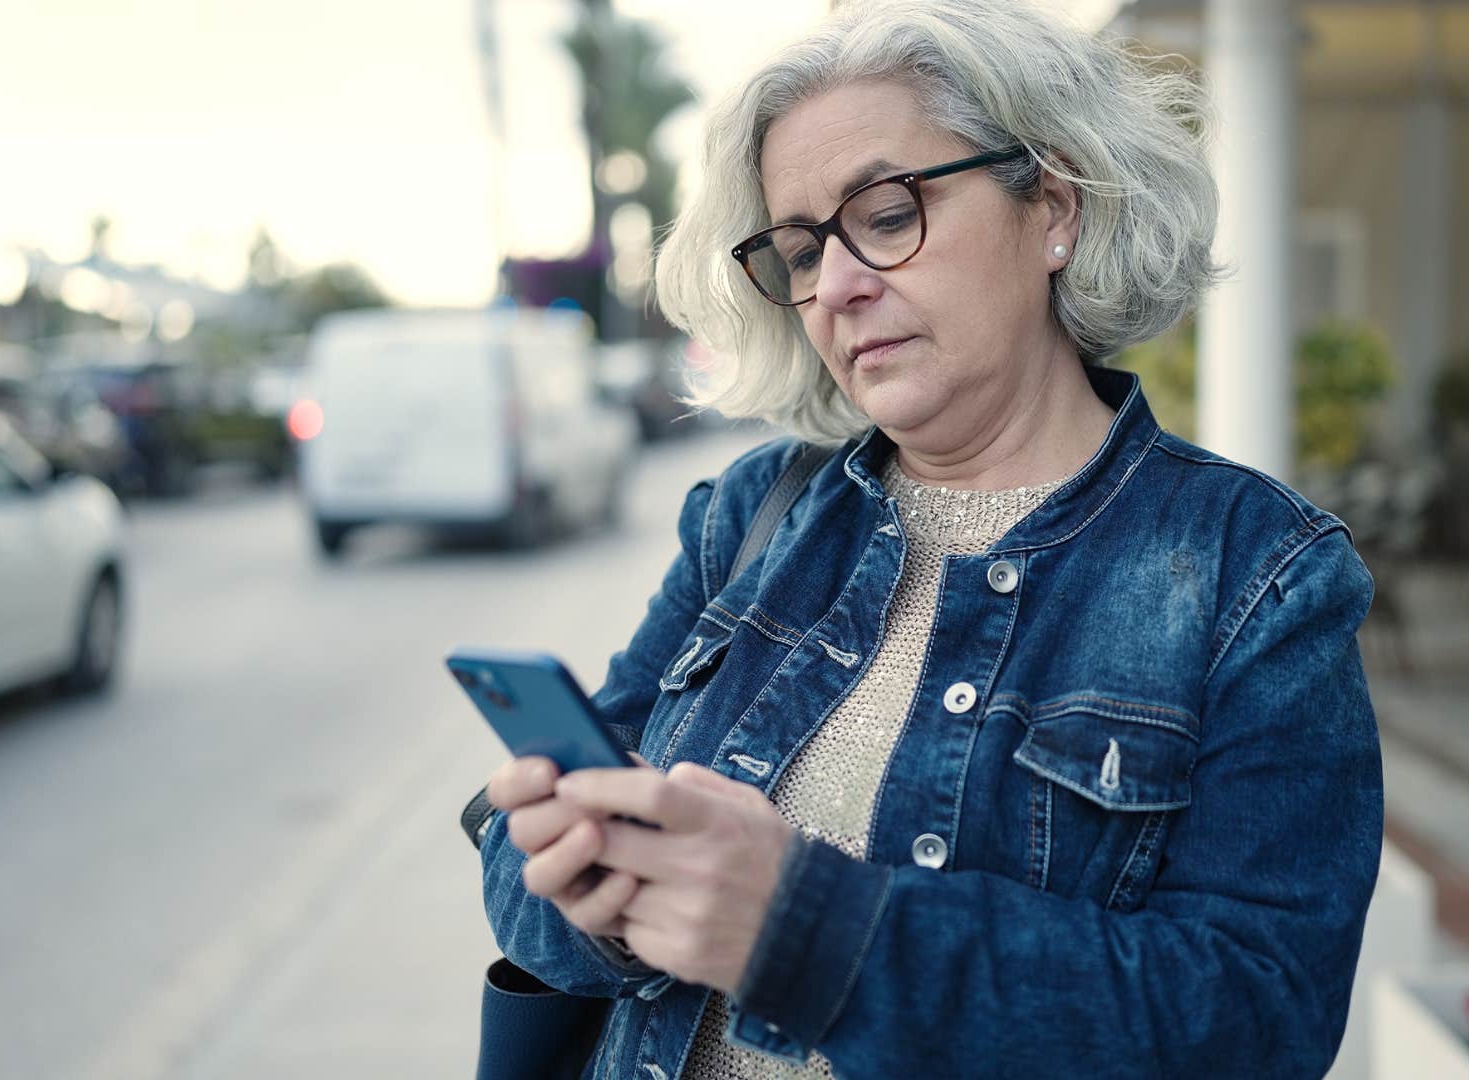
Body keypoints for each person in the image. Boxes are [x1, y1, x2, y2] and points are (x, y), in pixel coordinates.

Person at [480, 1, 1382, 1076]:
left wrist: (803, 928)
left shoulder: (1257, 574)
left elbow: (1260, 1017)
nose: (838, 286)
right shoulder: (750, 515)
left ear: (1054, 207)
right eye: (801, 250)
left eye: (888, 213)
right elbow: (519, 886)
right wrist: (588, 883)